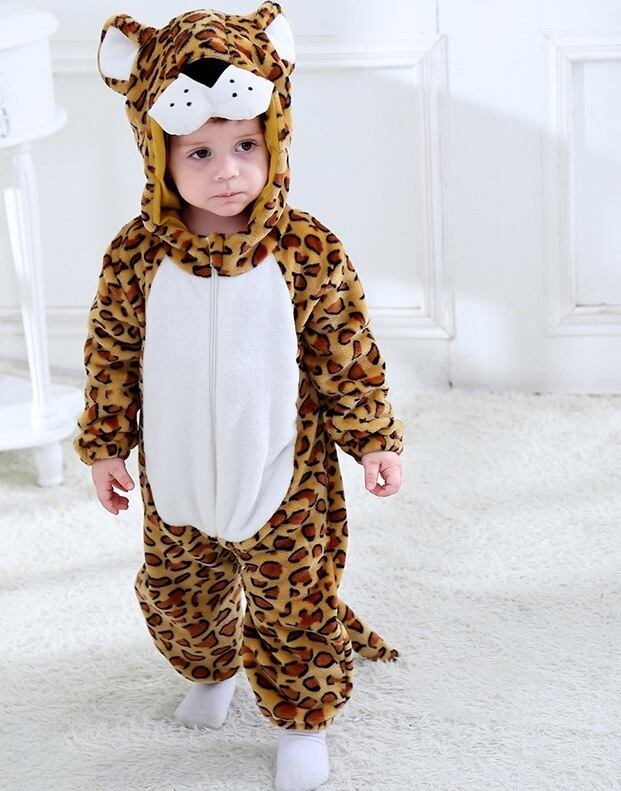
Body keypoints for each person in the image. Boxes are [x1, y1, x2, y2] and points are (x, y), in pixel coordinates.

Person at [73, 4, 404, 791]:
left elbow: (347, 352)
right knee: (176, 595)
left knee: (294, 602)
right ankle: (212, 670)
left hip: (285, 477)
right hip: (175, 477)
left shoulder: (305, 248)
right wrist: (105, 446)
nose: (228, 171)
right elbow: (110, 353)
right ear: (157, 152)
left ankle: (302, 721)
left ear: (274, 138)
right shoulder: (136, 255)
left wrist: (373, 439)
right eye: (200, 152)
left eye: (246, 146)